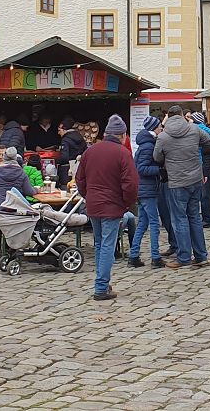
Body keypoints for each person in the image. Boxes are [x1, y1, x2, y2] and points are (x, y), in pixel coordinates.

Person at [77, 115, 138, 300]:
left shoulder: (90, 152)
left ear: (105, 134)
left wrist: (88, 196)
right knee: (107, 246)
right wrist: (126, 203)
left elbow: (80, 179)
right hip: (112, 205)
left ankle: (102, 282)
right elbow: (131, 184)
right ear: (123, 135)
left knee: (100, 244)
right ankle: (101, 287)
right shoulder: (123, 153)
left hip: (94, 204)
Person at [154, 105, 210, 269]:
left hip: (177, 181)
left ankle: (184, 257)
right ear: (182, 115)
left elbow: (156, 157)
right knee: (194, 217)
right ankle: (201, 256)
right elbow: (209, 141)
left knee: (179, 219)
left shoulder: (163, 136)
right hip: (195, 178)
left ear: (168, 116)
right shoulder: (194, 129)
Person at [0, 146, 32, 262]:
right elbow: (29, 191)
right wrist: (37, 190)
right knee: (12, 228)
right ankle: (10, 250)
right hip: (14, 210)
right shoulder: (21, 173)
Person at [129, 116, 166, 269]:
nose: (161, 128)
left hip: (143, 189)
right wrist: (159, 170)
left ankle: (133, 256)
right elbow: (142, 169)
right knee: (154, 223)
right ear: (153, 128)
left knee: (142, 224)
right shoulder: (148, 146)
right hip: (147, 190)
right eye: (159, 126)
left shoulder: (145, 144)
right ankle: (155, 257)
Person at [191, 111, 210, 226]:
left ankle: (207, 219)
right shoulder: (204, 130)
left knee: (205, 193)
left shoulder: (205, 130)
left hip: (205, 166)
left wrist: (200, 146)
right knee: (203, 192)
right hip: (203, 164)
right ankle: (205, 218)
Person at [56, 117, 87, 186]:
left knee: (67, 186)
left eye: (59, 130)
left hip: (69, 169)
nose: (58, 133)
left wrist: (56, 161)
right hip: (81, 168)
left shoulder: (65, 140)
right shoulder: (80, 137)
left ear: (64, 129)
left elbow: (64, 158)